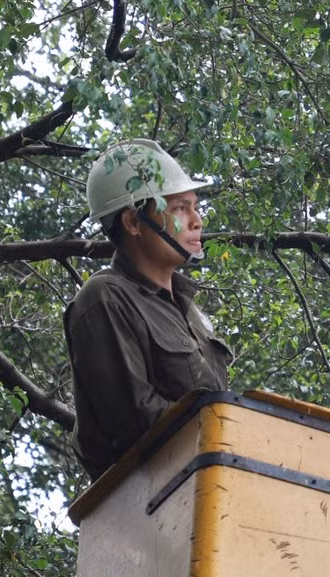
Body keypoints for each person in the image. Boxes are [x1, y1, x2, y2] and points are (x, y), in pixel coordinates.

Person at [65, 139, 232, 479]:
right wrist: (233, 432)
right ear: (133, 222)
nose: (197, 221)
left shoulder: (192, 313)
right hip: (149, 502)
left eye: (195, 206)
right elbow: (136, 427)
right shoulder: (105, 298)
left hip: (206, 487)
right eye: (180, 208)